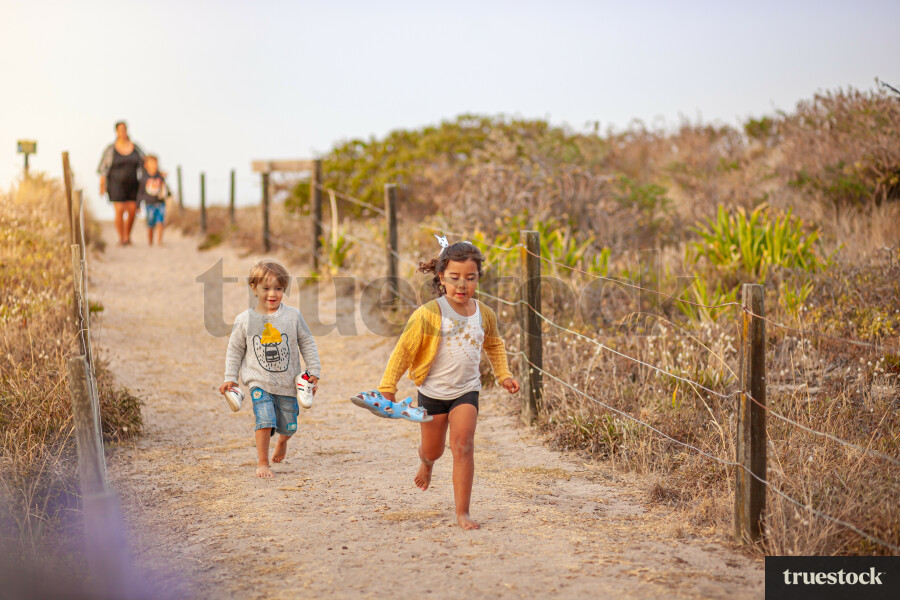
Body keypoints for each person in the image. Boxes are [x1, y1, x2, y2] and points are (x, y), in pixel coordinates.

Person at [377, 237, 520, 529]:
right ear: (441, 277)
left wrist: (503, 375)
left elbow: (494, 345)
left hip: (466, 390)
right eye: (454, 278)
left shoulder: (485, 314)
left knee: (463, 445)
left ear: (479, 278)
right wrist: (388, 386)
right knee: (434, 450)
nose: (462, 285)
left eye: (470, 278)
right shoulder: (429, 314)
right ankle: (426, 463)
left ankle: (462, 512)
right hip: (431, 392)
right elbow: (404, 350)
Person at [219, 260, 321, 478]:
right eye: (266, 288)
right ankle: (263, 462)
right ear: (254, 288)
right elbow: (234, 350)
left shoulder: (293, 316)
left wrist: (313, 371)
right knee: (264, 419)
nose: (272, 294)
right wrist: (231, 378)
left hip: (288, 382)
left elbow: (307, 342)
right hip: (259, 382)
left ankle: (283, 440)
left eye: (278, 288)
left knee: (289, 425)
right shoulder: (244, 320)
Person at [97, 121, 145, 246]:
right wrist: (102, 184)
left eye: (124, 129)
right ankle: (121, 237)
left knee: (132, 210)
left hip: (133, 183)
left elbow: (146, 162)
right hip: (115, 183)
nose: (123, 132)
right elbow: (103, 168)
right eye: (120, 129)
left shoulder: (136, 147)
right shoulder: (110, 149)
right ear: (116, 131)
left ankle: (128, 236)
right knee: (119, 210)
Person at [136, 154, 171, 246]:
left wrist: (168, 194)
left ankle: (159, 241)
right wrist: (138, 205)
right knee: (150, 224)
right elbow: (140, 192)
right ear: (146, 165)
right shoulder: (144, 178)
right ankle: (150, 241)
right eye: (151, 164)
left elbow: (165, 187)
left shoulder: (160, 176)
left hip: (160, 203)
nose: (154, 166)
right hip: (149, 204)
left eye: (155, 163)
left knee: (160, 222)